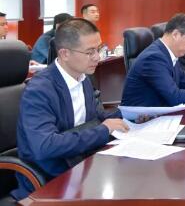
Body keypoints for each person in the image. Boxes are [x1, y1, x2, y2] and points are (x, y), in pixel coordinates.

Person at [12, 19, 128, 201]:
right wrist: (103, 130)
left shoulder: (83, 78)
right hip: (49, 178)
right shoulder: (40, 90)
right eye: (90, 52)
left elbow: (94, 118)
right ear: (64, 53)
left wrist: (129, 115)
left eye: (98, 49)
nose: (97, 57)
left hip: (80, 167)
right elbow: (45, 146)